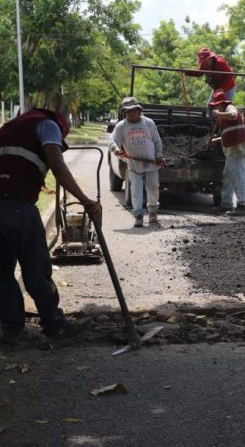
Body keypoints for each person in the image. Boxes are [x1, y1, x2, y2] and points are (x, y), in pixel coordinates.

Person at [0, 108, 102, 344]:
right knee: (36, 269)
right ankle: (54, 325)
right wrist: (85, 200)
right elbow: (57, 166)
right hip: (18, 208)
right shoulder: (48, 125)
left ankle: (11, 328)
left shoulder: (11, 128)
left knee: (1, 272)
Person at [109, 97, 165, 228]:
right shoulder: (122, 126)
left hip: (151, 164)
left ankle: (152, 213)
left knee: (153, 187)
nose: (131, 114)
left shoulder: (149, 123)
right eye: (128, 112)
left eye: (133, 111)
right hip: (134, 166)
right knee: (136, 190)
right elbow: (112, 139)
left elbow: (157, 141)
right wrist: (115, 149)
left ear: (139, 111)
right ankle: (139, 216)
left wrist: (158, 155)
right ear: (124, 113)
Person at [210, 92, 245, 217]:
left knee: (237, 175)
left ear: (222, 104)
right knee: (228, 176)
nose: (215, 109)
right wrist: (213, 141)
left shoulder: (230, 108)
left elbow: (233, 115)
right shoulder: (224, 118)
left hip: (236, 149)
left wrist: (219, 114)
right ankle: (226, 204)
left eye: (216, 106)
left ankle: (242, 206)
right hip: (231, 149)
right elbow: (227, 134)